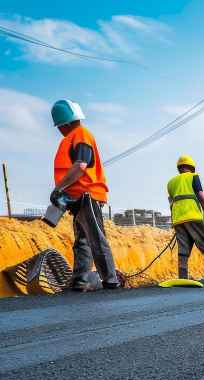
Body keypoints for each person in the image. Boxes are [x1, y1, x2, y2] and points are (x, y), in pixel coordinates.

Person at [50, 99, 120, 290]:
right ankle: (80, 280)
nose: (58, 130)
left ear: (64, 123)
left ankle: (110, 279)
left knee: (95, 239)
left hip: (87, 194)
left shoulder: (80, 135)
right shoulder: (73, 136)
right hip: (78, 197)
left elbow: (81, 166)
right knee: (82, 239)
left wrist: (59, 189)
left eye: (59, 126)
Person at [167, 155, 204, 280]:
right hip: (193, 217)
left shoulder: (171, 183)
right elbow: (202, 198)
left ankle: (182, 278)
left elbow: (171, 203)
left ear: (179, 168)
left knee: (183, 250)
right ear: (192, 167)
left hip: (178, 220)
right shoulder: (193, 177)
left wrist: (175, 221)